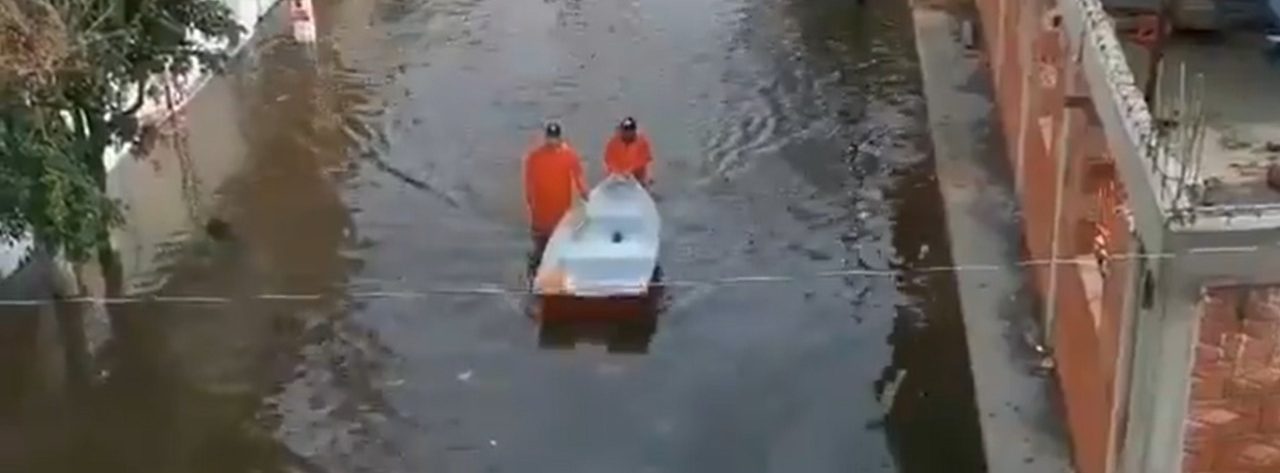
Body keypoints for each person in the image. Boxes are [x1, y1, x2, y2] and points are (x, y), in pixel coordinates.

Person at [524, 122, 587, 253]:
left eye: (554, 137)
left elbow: (580, 181)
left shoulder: (570, 156)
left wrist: (587, 198)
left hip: (560, 215)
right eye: (550, 137)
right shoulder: (534, 157)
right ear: (546, 138)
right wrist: (531, 204)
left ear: (559, 138)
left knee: (559, 246)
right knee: (541, 247)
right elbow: (529, 184)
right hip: (541, 216)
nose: (552, 140)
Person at [604, 117, 653, 185]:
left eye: (630, 129)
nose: (627, 132)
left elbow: (645, 160)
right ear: (621, 130)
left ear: (634, 130)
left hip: (637, 177)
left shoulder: (642, 142)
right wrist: (616, 173)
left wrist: (631, 171)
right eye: (625, 129)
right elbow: (608, 160)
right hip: (616, 177)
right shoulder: (613, 142)